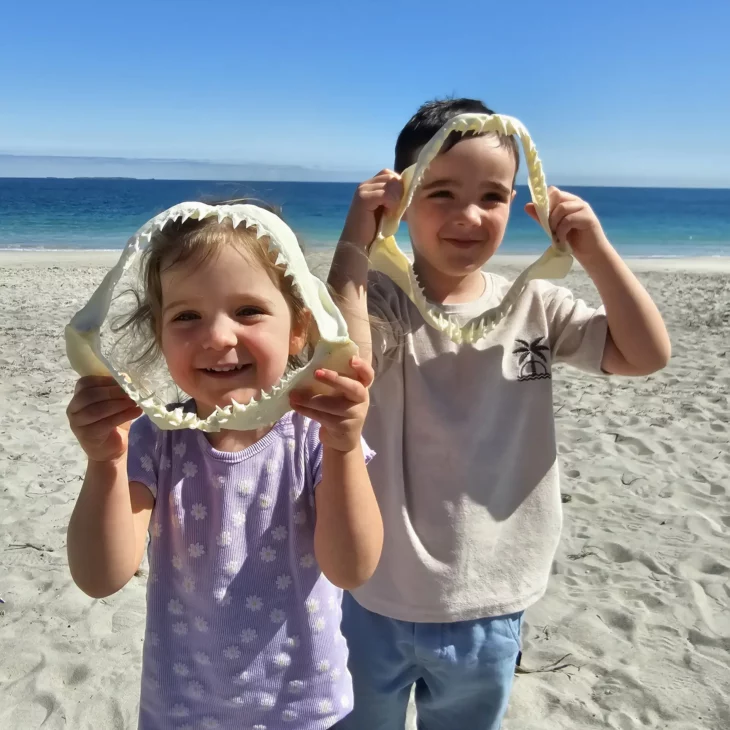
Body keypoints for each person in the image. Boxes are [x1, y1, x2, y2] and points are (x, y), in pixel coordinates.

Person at [328, 98, 671, 729]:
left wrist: (592, 248)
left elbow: (645, 354)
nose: (469, 215)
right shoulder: (381, 302)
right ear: (399, 201)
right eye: (441, 193)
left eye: (493, 196)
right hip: (374, 590)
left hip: (491, 595)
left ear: (519, 202)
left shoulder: (534, 303)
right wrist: (358, 237)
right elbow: (345, 361)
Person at [65, 200, 383, 730]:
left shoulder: (314, 438)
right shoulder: (153, 440)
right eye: (186, 316)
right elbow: (100, 576)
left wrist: (345, 448)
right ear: (160, 334)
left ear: (300, 326)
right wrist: (104, 462)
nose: (217, 336)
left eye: (248, 311)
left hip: (305, 712)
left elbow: (352, 569)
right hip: (182, 712)